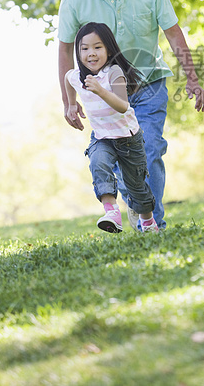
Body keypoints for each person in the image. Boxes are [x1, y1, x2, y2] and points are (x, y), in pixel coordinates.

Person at [58, 0, 204, 230]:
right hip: (103, 94)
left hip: (148, 84)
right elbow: (63, 50)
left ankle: (153, 225)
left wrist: (192, 78)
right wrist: (69, 103)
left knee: (149, 150)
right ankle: (140, 210)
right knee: (114, 158)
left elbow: (173, 34)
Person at [65, 22, 158, 233]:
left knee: (136, 186)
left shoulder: (113, 71)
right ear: (78, 51)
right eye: (85, 48)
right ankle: (112, 212)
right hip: (101, 137)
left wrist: (100, 90)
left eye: (98, 47)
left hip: (128, 138)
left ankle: (149, 222)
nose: (91, 53)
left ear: (109, 48)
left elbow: (123, 105)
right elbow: (67, 79)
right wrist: (71, 104)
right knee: (98, 162)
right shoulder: (78, 77)